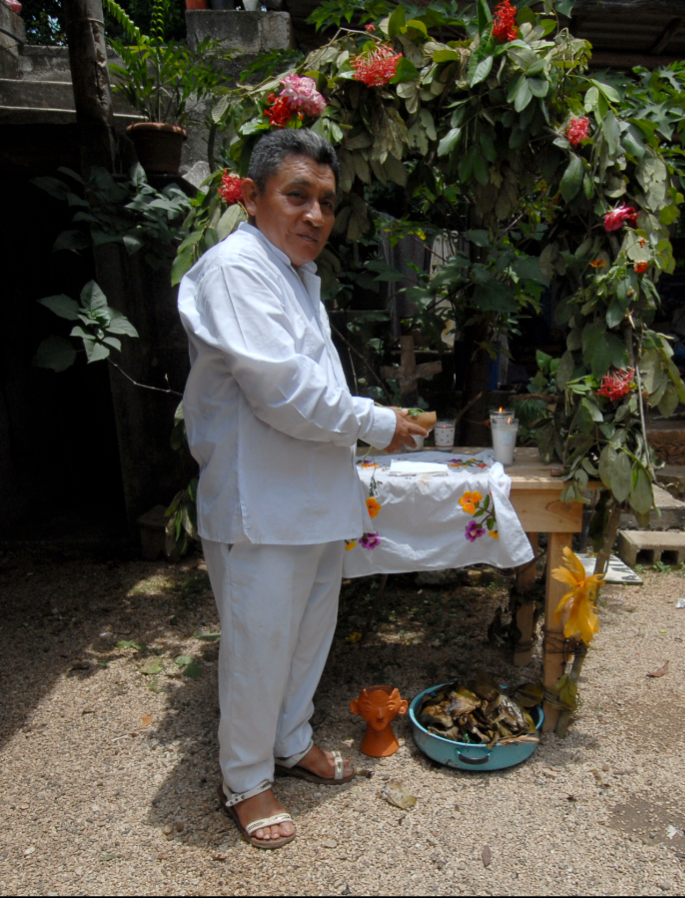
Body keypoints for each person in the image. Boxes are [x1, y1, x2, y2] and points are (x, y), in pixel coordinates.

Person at [177, 129, 427, 850]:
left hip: (312, 496)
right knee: (259, 646)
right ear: (251, 198)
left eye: (324, 200)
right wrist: (379, 422)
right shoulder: (235, 270)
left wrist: (366, 427)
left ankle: (289, 742)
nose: (315, 214)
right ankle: (246, 780)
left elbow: (309, 390)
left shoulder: (293, 275)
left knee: (306, 639)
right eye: (296, 196)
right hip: (259, 502)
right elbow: (285, 394)